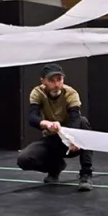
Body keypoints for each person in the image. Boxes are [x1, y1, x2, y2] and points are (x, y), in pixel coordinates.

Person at [17, 63, 93, 192]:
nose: (56, 84)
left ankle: (86, 174)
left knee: (83, 122)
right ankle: (55, 168)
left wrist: (71, 139)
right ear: (43, 81)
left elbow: (75, 118)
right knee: (24, 159)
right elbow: (32, 117)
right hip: (53, 138)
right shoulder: (38, 92)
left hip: (72, 140)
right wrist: (47, 124)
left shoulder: (70, 93)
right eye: (51, 81)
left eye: (59, 79)